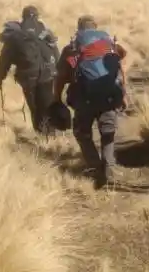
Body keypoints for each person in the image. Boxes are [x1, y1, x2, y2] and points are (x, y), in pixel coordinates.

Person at [54, 15, 128, 188]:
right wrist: (123, 94)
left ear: (79, 29)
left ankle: (95, 168)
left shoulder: (71, 49)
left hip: (84, 98)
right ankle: (109, 170)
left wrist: (57, 98)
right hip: (109, 95)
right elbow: (120, 68)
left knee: (82, 132)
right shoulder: (111, 46)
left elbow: (61, 77)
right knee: (108, 133)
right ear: (96, 28)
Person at [0, 5, 61, 134]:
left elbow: (5, 59)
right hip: (47, 76)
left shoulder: (16, 35)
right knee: (46, 106)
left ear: (23, 17)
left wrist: (0, 76)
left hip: (28, 77)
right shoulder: (45, 32)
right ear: (37, 16)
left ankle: (41, 135)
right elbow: (56, 54)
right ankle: (51, 135)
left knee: (35, 108)